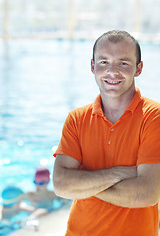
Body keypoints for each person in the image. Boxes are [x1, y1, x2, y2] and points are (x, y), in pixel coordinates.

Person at [53, 30, 160, 235]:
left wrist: (84, 184)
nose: (112, 71)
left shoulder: (154, 117)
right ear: (92, 66)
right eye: (103, 62)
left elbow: (146, 194)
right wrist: (121, 173)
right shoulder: (77, 119)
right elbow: (61, 185)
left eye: (123, 63)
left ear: (138, 69)